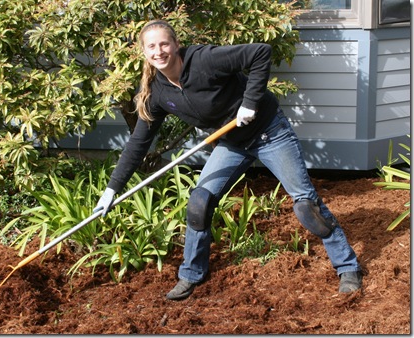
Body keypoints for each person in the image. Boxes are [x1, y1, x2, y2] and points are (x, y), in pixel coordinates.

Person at [94, 19, 363, 300]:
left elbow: (260, 52)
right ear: (144, 52)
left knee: (306, 204)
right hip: (232, 143)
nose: (159, 51)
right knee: (199, 202)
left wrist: (250, 101)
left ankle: (348, 267)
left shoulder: (204, 60)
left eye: (164, 43)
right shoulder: (158, 93)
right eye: (152, 46)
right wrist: (112, 189)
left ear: (175, 44)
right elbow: (138, 144)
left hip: (269, 133)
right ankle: (191, 275)